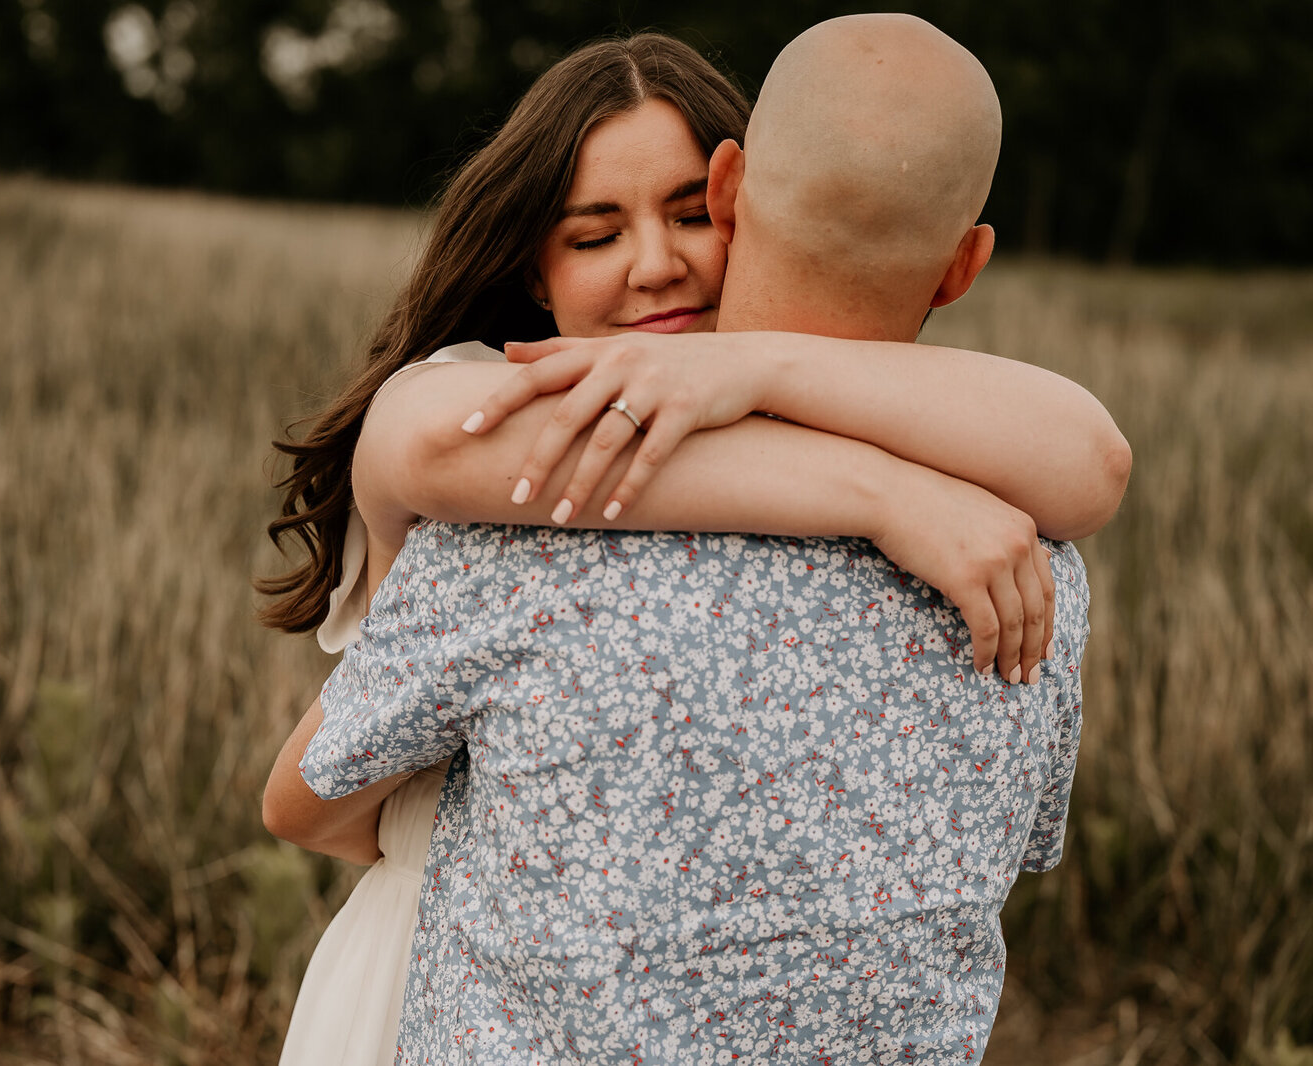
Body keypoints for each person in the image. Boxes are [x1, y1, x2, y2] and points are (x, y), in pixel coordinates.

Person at [264, 26, 1127, 1066]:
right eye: (593, 236)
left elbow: (1093, 456)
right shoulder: (499, 448)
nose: (656, 267)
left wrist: (756, 369)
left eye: (683, 217)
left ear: (730, 197)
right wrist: (881, 496)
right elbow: (415, 441)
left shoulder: (533, 540)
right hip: (423, 957)